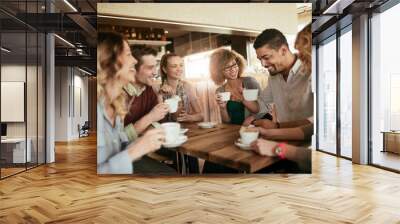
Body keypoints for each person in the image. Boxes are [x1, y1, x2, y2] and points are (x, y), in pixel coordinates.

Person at [97, 32, 165, 174]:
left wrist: (143, 143)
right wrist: (136, 150)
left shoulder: (115, 105)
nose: (134, 61)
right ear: (110, 62)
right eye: (128, 55)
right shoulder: (94, 111)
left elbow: (120, 144)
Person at [252, 24, 314, 142]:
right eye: (260, 59)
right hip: (283, 142)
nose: (263, 64)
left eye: (266, 57)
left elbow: (317, 121)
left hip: (309, 146)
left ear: (283, 50)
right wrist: (243, 101)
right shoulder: (273, 77)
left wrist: (277, 127)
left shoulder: (311, 70)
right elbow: (262, 104)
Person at [123, 46, 169, 141]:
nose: (155, 72)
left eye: (155, 67)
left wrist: (159, 97)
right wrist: (150, 118)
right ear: (133, 69)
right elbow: (117, 140)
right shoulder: (118, 94)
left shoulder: (148, 89)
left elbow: (159, 122)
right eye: (150, 68)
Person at [209, 48, 261, 125]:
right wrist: (223, 108)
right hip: (233, 130)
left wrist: (242, 98)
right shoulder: (220, 91)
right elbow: (227, 121)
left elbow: (261, 109)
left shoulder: (249, 82)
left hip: (252, 129)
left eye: (234, 64)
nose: (232, 69)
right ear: (219, 71)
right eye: (227, 67)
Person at [158, 53, 203, 122]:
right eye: (174, 66)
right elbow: (159, 120)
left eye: (181, 65)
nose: (179, 69)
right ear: (164, 69)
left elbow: (201, 115)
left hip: (185, 129)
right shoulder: (157, 88)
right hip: (165, 130)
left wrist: (190, 117)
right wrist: (160, 95)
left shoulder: (188, 86)